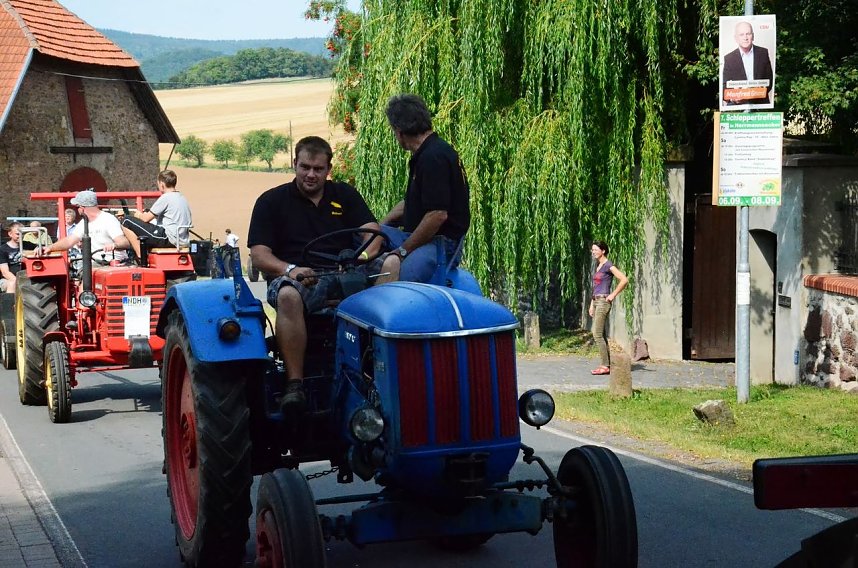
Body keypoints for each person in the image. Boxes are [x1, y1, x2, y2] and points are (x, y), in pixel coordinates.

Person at [248, 136, 396, 411]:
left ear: (329, 170)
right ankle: (295, 384)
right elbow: (259, 255)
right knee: (289, 296)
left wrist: (361, 256)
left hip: (346, 271)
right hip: (301, 277)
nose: (311, 175)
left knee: (392, 263)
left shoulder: (345, 195)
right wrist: (290, 270)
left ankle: (384, 364)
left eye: (318, 169)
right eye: (305, 167)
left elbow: (373, 232)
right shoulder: (271, 201)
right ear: (295, 164)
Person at [380, 93, 470, 282]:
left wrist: (403, 251)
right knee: (362, 236)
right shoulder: (428, 152)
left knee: (399, 282)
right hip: (420, 236)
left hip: (440, 245)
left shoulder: (432, 158)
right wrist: (378, 227)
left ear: (398, 131)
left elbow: (437, 215)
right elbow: (410, 203)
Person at [45, 189, 130, 264]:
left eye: (77, 207)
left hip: (114, 263)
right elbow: (69, 241)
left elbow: (124, 242)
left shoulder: (108, 219)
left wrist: (114, 245)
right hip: (96, 262)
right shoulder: (83, 223)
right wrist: (50, 248)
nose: (77, 210)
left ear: (82, 208)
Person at [121, 170, 192, 258]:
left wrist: (138, 214)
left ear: (162, 184)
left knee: (126, 221)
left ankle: (141, 256)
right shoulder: (182, 198)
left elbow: (145, 219)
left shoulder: (166, 197)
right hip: (182, 240)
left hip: (168, 238)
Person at [588, 240, 628, 376]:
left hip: (604, 302)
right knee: (601, 334)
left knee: (597, 333)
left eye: (595, 250)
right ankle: (607, 364)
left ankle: (605, 366)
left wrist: (612, 295)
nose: (593, 252)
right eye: (592, 250)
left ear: (603, 251)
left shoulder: (608, 265)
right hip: (597, 301)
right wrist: (591, 305)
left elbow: (624, 279)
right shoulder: (598, 266)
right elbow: (595, 288)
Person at [722, 21, 773, 107]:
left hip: (760, 105)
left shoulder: (763, 53)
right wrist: (732, 98)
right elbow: (724, 86)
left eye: (748, 34)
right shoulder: (729, 58)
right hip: (738, 108)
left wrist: (757, 92)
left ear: (752, 36)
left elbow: (769, 81)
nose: (745, 38)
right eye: (741, 34)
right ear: (736, 38)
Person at [0, 223, 23, 294]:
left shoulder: (29, 245)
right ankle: (10, 304)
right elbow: (5, 272)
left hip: (26, 278)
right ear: (10, 234)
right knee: (12, 283)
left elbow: (41, 248)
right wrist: (18, 281)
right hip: (8, 279)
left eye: (22, 234)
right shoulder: (3, 249)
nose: (21, 236)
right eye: (17, 234)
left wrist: (38, 249)